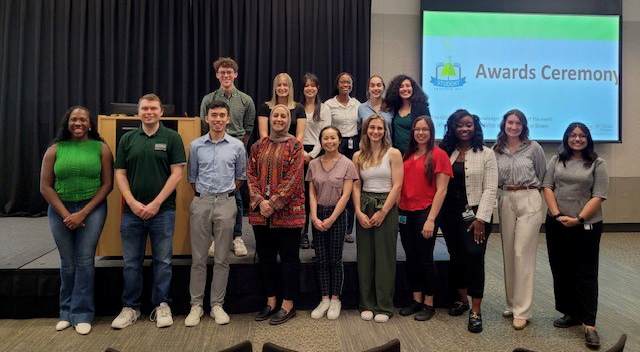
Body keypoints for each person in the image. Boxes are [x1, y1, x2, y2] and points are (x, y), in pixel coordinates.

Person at [111, 94, 186, 329]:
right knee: (131, 263)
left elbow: (177, 174)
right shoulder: (127, 139)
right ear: (138, 112)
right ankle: (130, 307)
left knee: (162, 262)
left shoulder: (172, 137)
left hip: (163, 211)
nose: (149, 112)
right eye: (145, 108)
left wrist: (155, 203)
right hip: (131, 212)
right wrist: (131, 202)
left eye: (154, 108)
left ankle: (162, 305)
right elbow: (120, 173)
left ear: (161, 112)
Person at [40, 106, 114, 335]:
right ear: (67, 122)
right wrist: (66, 214)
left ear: (90, 123)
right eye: (74, 119)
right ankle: (65, 313)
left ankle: (82, 314)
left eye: (83, 119)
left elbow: (107, 185)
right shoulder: (54, 149)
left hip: (92, 209)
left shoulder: (101, 148)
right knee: (67, 262)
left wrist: (82, 213)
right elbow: (45, 187)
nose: (78, 123)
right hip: (60, 210)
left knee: (84, 261)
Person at [542, 122, 608, 349]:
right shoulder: (556, 160)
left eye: (581, 135)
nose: (577, 139)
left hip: (586, 225)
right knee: (561, 269)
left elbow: (598, 196)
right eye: (573, 135)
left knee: (585, 273)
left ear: (588, 138)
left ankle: (589, 324)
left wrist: (578, 219)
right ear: (567, 138)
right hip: (557, 223)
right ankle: (570, 313)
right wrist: (557, 214)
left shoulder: (598, 163)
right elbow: (547, 186)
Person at [185, 101, 247, 327]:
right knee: (198, 259)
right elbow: (192, 178)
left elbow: (241, 177)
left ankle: (217, 305)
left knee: (222, 258)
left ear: (228, 119)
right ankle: (196, 305)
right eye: (214, 115)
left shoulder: (237, 146)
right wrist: (205, 197)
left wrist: (225, 197)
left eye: (222, 115)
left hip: (226, 202)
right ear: (207, 118)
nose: (218, 119)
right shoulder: (195, 146)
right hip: (201, 201)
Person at [439, 109, 498, 333]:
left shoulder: (486, 153)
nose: (464, 129)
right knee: (456, 257)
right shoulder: (447, 152)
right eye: (459, 125)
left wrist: (481, 218)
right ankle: (462, 300)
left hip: (475, 216)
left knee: (474, 256)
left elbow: (491, 188)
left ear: (475, 127)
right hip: (450, 215)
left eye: (468, 125)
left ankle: (476, 309)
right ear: (453, 128)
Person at [248, 105, 305, 325]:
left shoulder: (295, 146)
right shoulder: (257, 146)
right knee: (266, 259)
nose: (279, 119)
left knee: (290, 260)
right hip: (261, 215)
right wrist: (260, 203)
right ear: (269, 118)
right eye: (275, 115)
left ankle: (288, 304)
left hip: (289, 214)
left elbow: (293, 178)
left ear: (289, 120)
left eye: (283, 116)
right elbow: (250, 175)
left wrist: (273, 202)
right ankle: (271, 301)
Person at [493, 109, 546, 330]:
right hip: (505, 197)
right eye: (510, 122)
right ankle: (512, 303)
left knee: (521, 252)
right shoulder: (496, 150)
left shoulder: (534, 148)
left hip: (529, 197)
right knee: (508, 252)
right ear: (504, 124)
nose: (513, 126)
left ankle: (523, 310)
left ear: (523, 126)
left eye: (518, 123)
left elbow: (543, 175)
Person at [199, 57, 256, 258]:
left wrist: (238, 148)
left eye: (229, 72)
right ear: (217, 75)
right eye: (222, 73)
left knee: (236, 194)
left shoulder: (246, 100)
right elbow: (203, 126)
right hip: (213, 149)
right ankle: (216, 237)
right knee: (214, 194)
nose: (226, 76)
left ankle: (237, 236)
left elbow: (248, 128)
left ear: (235, 74)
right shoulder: (208, 99)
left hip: (236, 149)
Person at [397, 116, 452, 322]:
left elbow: (442, 190)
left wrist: (430, 220)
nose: (420, 133)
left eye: (425, 129)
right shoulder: (408, 154)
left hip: (425, 213)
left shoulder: (439, 155)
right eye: (417, 129)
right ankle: (416, 300)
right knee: (411, 258)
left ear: (431, 132)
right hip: (405, 213)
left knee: (425, 259)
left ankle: (429, 303)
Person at [352, 115, 403, 323]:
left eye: (379, 128)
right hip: (364, 204)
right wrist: (358, 211)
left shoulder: (394, 154)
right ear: (366, 130)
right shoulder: (358, 155)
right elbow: (355, 185)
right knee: (365, 257)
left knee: (385, 258)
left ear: (385, 131)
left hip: (386, 205)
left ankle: (384, 305)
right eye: (372, 128)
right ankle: (366, 304)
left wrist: (383, 212)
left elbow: (398, 185)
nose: (375, 131)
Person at [307, 126, 358, 320]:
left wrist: (331, 219)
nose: (329, 141)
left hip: (337, 216)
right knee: (321, 260)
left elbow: (346, 196)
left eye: (333, 138)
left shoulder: (347, 164)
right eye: (325, 138)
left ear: (339, 140)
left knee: (335, 260)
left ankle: (336, 299)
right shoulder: (313, 164)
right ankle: (324, 299)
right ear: (320, 142)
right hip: (318, 214)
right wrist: (314, 217)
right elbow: (311, 192)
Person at [325, 72, 361, 244]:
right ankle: (331, 222)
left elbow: (361, 124)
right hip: (335, 145)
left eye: (349, 82)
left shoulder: (357, 104)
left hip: (354, 144)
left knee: (352, 184)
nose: (346, 85)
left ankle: (348, 230)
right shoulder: (329, 104)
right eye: (342, 82)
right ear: (337, 84)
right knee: (335, 184)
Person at [300, 73, 332, 249]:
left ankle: (318, 233)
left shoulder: (325, 108)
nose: (310, 88)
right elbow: (296, 132)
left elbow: (325, 134)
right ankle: (303, 233)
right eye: (306, 85)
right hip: (300, 154)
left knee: (319, 196)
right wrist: (303, 153)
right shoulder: (298, 107)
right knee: (304, 196)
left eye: (313, 85)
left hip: (319, 152)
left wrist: (312, 155)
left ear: (317, 88)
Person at [251, 73, 306, 144]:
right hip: (270, 149)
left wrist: (292, 149)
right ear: (275, 88)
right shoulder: (265, 108)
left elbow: (300, 136)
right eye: (279, 85)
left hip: (292, 149)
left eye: (285, 85)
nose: (282, 88)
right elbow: (263, 135)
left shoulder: (299, 108)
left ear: (290, 87)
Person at [384, 74, 430, 155]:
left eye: (408, 86)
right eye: (401, 86)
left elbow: (429, 130)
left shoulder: (421, 107)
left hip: (416, 153)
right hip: (396, 154)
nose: (405, 89)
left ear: (413, 88)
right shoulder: (394, 108)